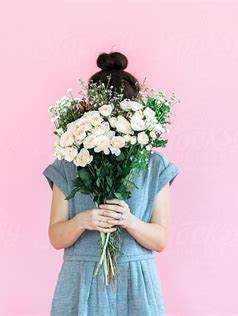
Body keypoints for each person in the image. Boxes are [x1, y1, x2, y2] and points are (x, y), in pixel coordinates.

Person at [42, 51, 180, 315]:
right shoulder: (69, 162)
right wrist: (83, 220)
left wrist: (129, 221)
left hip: (137, 283)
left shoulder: (154, 166)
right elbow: (56, 237)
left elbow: (161, 239)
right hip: (81, 279)